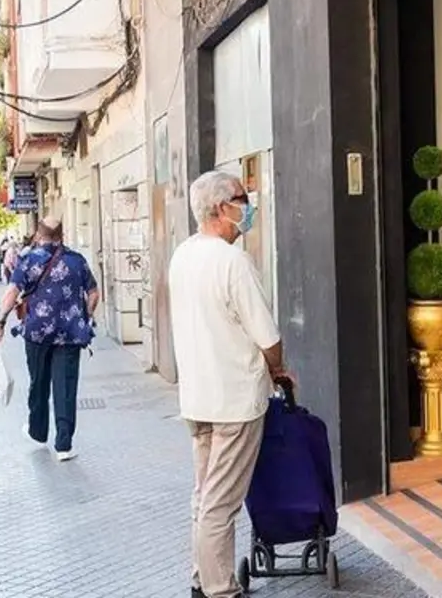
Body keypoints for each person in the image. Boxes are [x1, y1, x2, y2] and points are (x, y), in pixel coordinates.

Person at [169, 171, 285, 598]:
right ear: (222, 208)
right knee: (221, 504)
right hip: (234, 401)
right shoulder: (232, 261)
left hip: (197, 398)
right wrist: (278, 369)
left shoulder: (183, 255)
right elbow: (268, 337)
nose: (248, 204)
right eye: (242, 197)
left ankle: (202, 579)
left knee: (203, 496)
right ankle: (220, 590)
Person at [0, 218, 99, 461]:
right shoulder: (76, 260)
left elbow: (12, 293)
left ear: (39, 234)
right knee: (66, 387)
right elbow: (93, 293)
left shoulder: (28, 260)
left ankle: (37, 431)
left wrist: (0, 321)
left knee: (38, 382)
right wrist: (86, 316)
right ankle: (64, 445)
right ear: (62, 234)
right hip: (70, 334)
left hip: (37, 333)